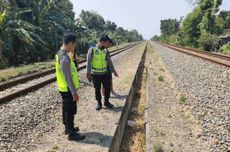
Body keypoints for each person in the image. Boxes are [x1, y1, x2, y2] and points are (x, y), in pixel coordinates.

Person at [55, 32, 85, 141]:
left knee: (65, 109)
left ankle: (68, 128)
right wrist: (74, 93)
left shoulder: (60, 53)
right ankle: (71, 134)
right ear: (71, 43)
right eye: (74, 45)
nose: (74, 47)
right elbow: (68, 77)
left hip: (62, 87)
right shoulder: (65, 58)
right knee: (70, 111)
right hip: (68, 89)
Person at [86, 35, 119, 111]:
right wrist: (88, 73)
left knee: (107, 88)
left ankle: (106, 102)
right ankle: (99, 103)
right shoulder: (92, 50)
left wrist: (114, 71)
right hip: (95, 74)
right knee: (97, 89)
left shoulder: (105, 50)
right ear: (102, 42)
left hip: (104, 74)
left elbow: (109, 62)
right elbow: (88, 62)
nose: (108, 45)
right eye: (107, 43)